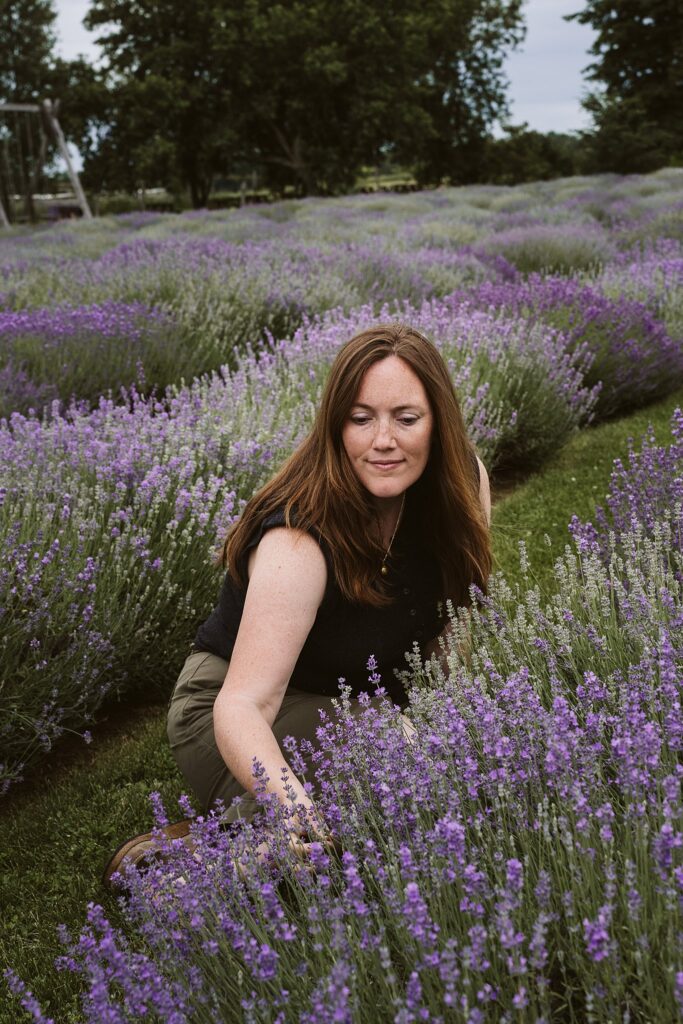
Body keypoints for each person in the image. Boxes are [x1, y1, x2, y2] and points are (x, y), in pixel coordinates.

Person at [102, 322, 492, 886]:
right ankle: (207, 863)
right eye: (361, 419)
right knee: (397, 778)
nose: (383, 440)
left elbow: (454, 626)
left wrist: (449, 726)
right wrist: (300, 815)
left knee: (442, 772)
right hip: (232, 711)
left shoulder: (462, 484)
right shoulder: (299, 540)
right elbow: (242, 707)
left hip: (351, 701)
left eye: (406, 418)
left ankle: (240, 839)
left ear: (439, 423)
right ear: (336, 427)